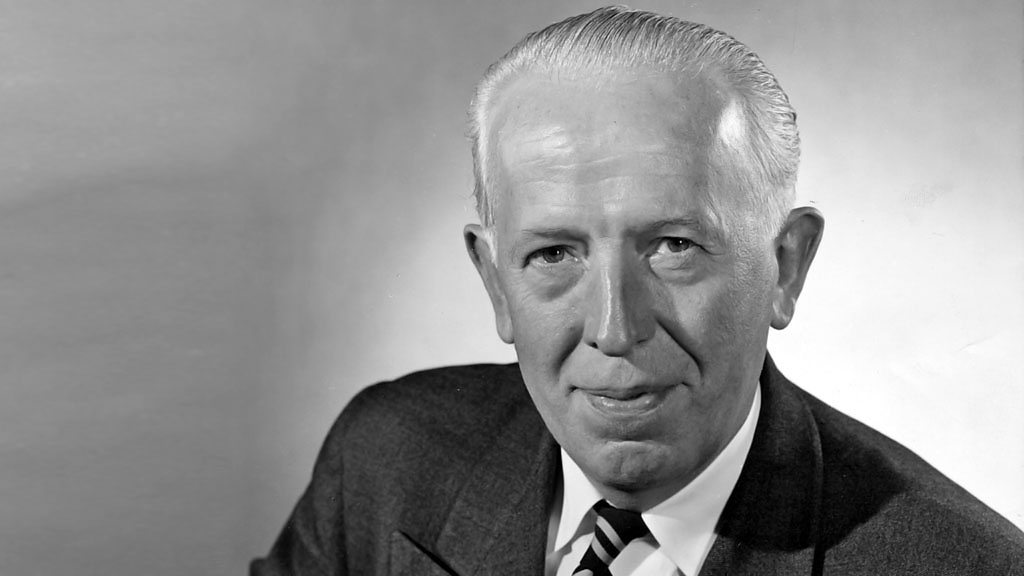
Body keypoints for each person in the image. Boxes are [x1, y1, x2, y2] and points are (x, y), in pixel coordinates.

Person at [251, 6, 1024, 575]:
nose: (616, 329)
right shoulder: (385, 462)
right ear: (495, 283)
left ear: (786, 266)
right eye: (554, 253)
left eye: (674, 247)